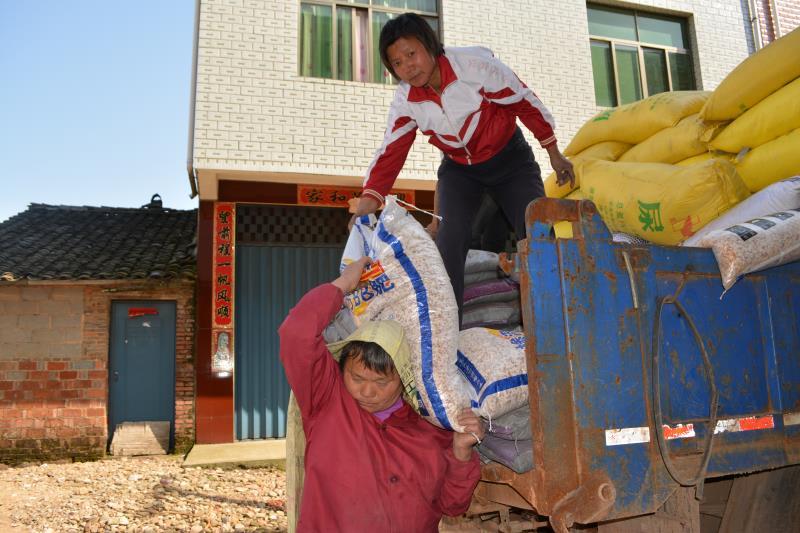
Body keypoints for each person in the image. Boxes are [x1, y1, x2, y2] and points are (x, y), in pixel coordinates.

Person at [353, 13, 575, 323]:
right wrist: (369, 199)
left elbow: (524, 101)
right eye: (398, 63)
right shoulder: (406, 99)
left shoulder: (474, 67)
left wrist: (553, 151)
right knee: (449, 240)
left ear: (430, 45)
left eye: (411, 54)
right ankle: (449, 328)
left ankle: (553, 322)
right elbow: (391, 150)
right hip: (460, 171)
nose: (408, 67)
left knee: (536, 231)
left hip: (510, 160)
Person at [279, 257, 484, 532]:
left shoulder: (431, 427)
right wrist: (343, 285)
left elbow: (452, 506)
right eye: (356, 377)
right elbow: (296, 334)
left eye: (381, 381)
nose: (366, 391)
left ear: (403, 379)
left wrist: (461, 453)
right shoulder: (327, 402)